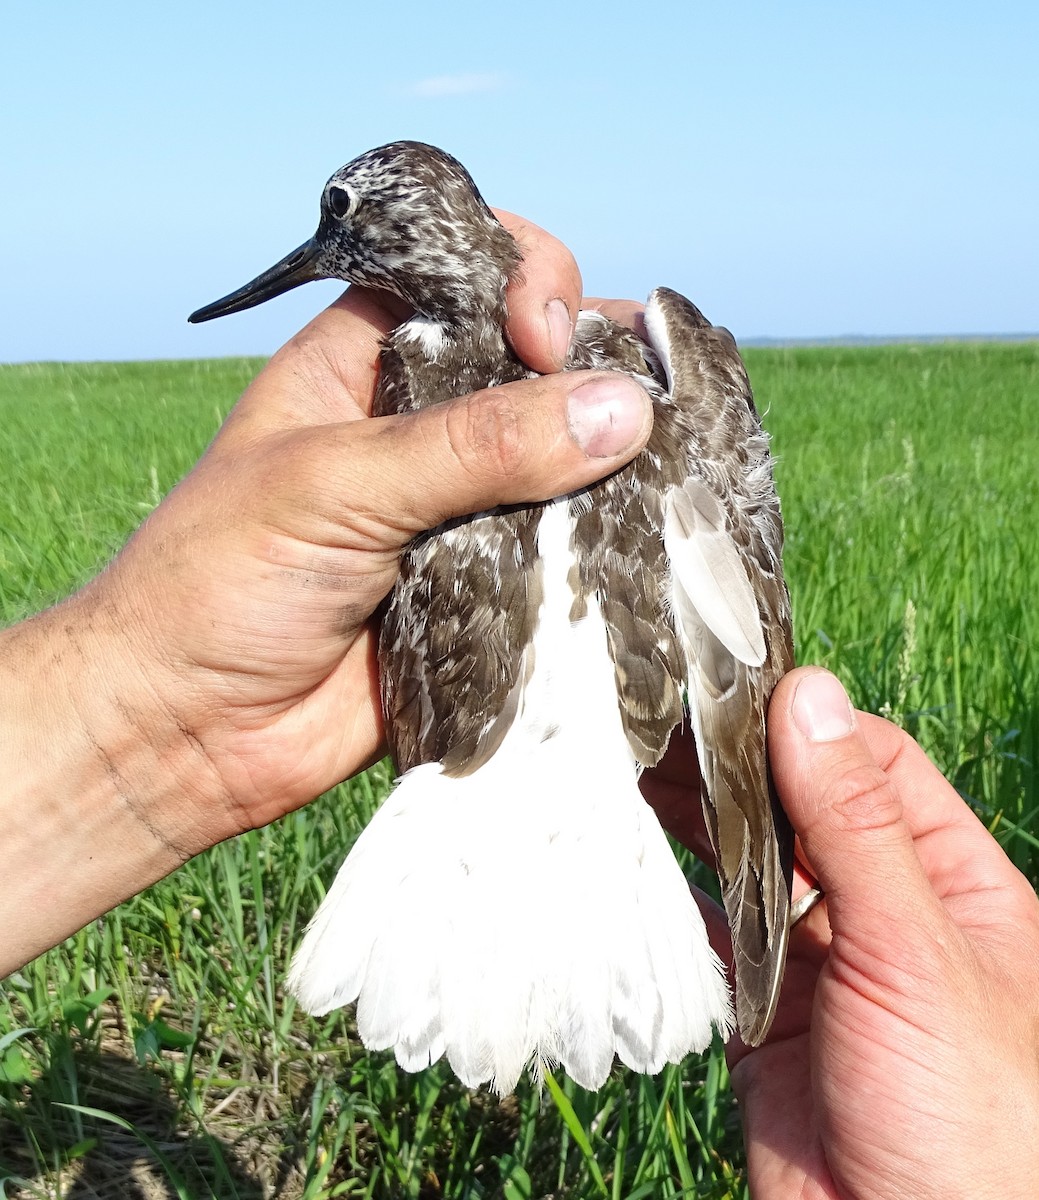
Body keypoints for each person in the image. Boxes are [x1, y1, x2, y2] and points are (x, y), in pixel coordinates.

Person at [2, 213, 1037, 1199]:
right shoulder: (435, 367)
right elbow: (740, 646)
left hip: (517, 795)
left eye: (339, 221)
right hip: (539, 803)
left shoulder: (541, 366)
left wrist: (137, 724)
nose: (318, 251)